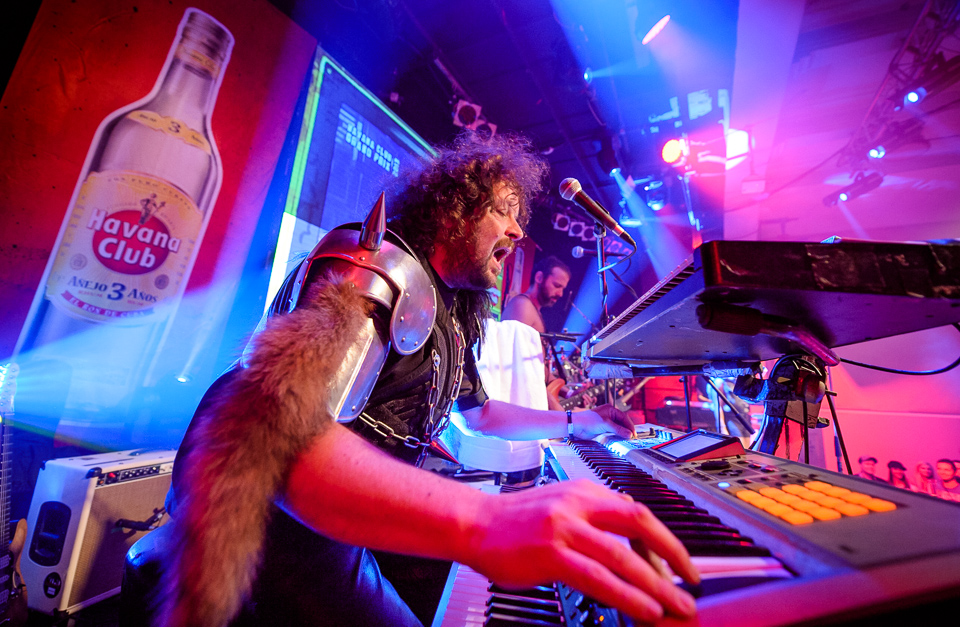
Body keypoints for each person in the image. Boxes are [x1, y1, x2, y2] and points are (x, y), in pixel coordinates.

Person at [156, 134, 699, 627]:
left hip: (355, 522)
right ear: (453, 210)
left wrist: (582, 421)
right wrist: (488, 520)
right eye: (503, 211)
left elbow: (482, 414)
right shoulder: (379, 269)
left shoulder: (453, 312)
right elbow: (276, 432)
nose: (518, 231)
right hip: (282, 536)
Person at [501, 255, 571, 334]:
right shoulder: (523, 305)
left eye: (562, 289)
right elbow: (512, 340)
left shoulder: (534, 309)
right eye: (557, 285)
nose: (560, 294)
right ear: (539, 277)